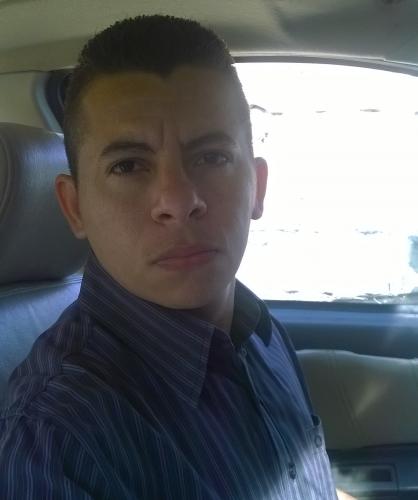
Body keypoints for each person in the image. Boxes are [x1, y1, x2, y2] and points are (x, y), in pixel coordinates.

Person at [0, 15, 338, 499]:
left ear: (258, 187)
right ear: (75, 208)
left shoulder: (260, 331)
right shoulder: (58, 440)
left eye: (212, 156)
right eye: (129, 165)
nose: (178, 201)